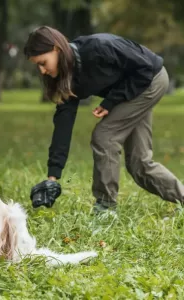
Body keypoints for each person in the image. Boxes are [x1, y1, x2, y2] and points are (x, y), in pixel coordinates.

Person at [24, 26, 184, 212]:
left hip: (150, 80)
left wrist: (110, 102)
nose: (42, 70)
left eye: (43, 62)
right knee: (139, 163)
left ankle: (105, 208)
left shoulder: (98, 48)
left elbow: (145, 69)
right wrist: (53, 177)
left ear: (56, 49)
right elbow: (63, 125)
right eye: (38, 65)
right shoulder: (66, 77)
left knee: (104, 136)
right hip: (132, 89)